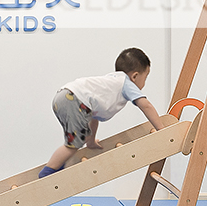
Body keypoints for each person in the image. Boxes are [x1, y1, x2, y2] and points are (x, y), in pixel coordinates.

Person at [40, 48, 176, 176]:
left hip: (64, 97)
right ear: (135, 76)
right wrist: (161, 129)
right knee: (74, 144)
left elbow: (94, 117)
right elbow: (146, 105)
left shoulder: (110, 82)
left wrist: (91, 141)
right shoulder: (126, 84)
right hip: (73, 99)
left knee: (78, 138)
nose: (144, 83)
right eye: (145, 78)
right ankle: (49, 171)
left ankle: (57, 165)